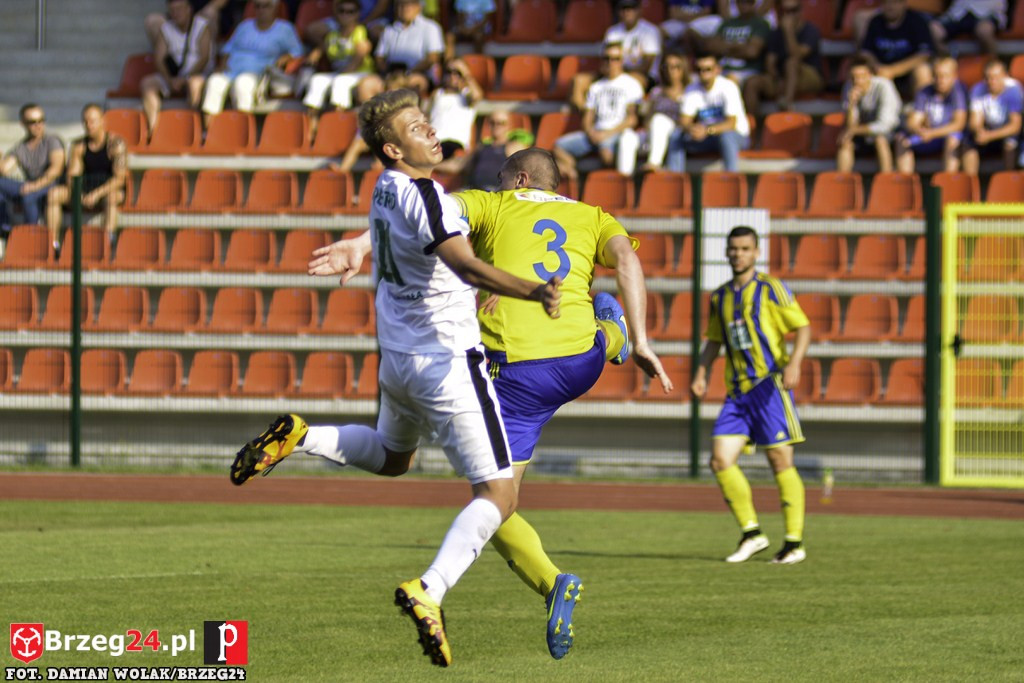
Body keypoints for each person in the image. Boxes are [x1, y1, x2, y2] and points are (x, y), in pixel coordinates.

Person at [230, 89, 561, 669]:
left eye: (428, 122)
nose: (431, 132)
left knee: (391, 457)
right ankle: (429, 589)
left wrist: (358, 248)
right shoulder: (430, 196)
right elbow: (461, 262)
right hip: (446, 363)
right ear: (393, 147)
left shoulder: (385, 187)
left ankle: (301, 436)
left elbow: (426, 244)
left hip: (398, 360)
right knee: (500, 495)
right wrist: (532, 290)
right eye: (416, 127)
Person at [306, 147, 674, 659]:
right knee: (598, 329)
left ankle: (551, 582)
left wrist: (360, 246)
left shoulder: (490, 204)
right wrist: (645, 340)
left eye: (503, 178)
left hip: (519, 373)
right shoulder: (593, 215)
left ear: (519, 177)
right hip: (578, 364)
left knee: (493, 500)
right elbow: (629, 260)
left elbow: (422, 217)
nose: (496, 184)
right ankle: (615, 334)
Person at [690, 225, 811, 565]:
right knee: (719, 460)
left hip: (769, 386)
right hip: (737, 392)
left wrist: (795, 364)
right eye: (733, 249)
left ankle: (793, 542)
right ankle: (752, 533)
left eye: (745, 249)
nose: (738, 254)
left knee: (779, 460)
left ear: (756, 253)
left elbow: (802, 327)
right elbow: (713, 340)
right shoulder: (721, 296)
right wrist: (701, 374)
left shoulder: (772, 289)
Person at [200, 0, 304, 123]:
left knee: (243, 83)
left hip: (258, 74)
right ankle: (208, 132)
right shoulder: (244, 26)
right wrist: (221, 67)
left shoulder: (285, 29)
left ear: (275, 8)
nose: (261, 10)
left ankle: (243, 132)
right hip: (231, 71)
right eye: (257, 6)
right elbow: (228, 49)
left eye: (266, 6)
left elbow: (298, 52)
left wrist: (285, 58)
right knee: (214, 81)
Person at [553, 42, 644, 181]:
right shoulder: (596, 87)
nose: (610, 63)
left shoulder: (631, 84)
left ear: (622, 61)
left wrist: (606, 135)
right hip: (596, 132)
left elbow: (632, 119)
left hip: (616, 133)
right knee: (559, 147)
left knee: (606, 155)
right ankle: (573, 178)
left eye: (615, 59)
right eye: (606, 58)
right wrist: (591, 132)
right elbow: (588, 116)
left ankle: (612, 189)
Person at [46, 104, 127, 251]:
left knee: (112, 198)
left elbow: (119, 179)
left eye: (93, 121)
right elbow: (72, 175)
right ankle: (53, 245)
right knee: (54, 194)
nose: (89, 125)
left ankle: (107, 243)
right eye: (85, 121)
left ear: (102, 121)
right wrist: (80, 193)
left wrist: (96, 194)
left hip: (107, 190)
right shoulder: (78, 146)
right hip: (84, 188)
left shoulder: (116, 144)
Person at [667, 51, 751, 173]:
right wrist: (692, 129)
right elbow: (684, 120)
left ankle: (731, 179)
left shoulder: (728, 87)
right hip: (707, 137)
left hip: (737, 135)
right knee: (676, 135)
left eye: (708, 69)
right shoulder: (692, 89)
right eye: (699, 69)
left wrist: (707, 130)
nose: (703, 73)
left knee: (726, 137)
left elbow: (731, 124)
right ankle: (674, 181)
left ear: (717, 70)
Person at [301, 0, 379, 129]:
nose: (345, 15)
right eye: (342, 11)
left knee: (340, 82)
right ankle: (311, 128)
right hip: (341, 73)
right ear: (336, 14)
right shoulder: (333, 35)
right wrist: (315, 54)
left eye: (350, 12)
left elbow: (357, 60)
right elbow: (320, 50)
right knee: (317, 80)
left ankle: (336, 126)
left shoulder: (361, 32)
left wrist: (339, 75)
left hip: (361, 72)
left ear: (358, 14)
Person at [140, 0, 214, 135]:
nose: (176, 14)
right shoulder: (166, 29)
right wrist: (169, 80)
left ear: (188, 9)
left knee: (194, 84)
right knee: (147, 83)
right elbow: (159, 58)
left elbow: (204, 58)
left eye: (179, 9)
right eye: (172, 10)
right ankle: (153, 131)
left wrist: (185, 78)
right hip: (173, 76)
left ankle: (192, 130)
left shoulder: (202, 26)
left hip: (196, 74)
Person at [742, 0, 824, 114]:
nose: (789, 14)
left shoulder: (811, 30)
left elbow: (797, 55)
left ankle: (786, 105)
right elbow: (770, 61)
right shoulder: (776, 33)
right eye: (785, 11)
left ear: (801, 11)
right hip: (782, 78)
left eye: (793, 10)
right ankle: (750, 125)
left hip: (808, 76)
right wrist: (776, 77)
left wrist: (788, 32)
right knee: (752, 82)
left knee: (791, 63)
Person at [0, 104, 65, 242]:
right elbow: (4, 169)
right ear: (22, 124)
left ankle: (32, 237)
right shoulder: (21, 147)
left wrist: (34, 186)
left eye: (41, 120)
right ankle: (4, 227)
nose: (38, 125)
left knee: (29, 196)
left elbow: (56, 170)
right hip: (31, 187)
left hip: (51, 186)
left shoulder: (52, 141)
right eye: (32, 122)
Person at [894, 55, 967, 174]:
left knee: (953, 139)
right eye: (936, 76)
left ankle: (947, 183)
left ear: (954, 76)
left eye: (944, 76)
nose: (940, 80)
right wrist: (918, 130)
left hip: (944, 136)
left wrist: (932, 133)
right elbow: (913, 121)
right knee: (901, 139)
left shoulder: (958, 92)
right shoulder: (924, 92)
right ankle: (905, 183)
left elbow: (959, 124)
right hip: (927, 135)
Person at [433, 110, 533, 191]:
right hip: (474, 192)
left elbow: (530, 169)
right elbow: (459, 165)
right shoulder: (481, 147)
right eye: (493, 123)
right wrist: (431, 165)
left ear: (508, 126)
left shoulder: (514, 147)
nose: (496, 126)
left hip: (497, 194)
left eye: (501, 123)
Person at [837, 57, 901, 173]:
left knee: (880, 139)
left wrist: (853, 130)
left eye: (861, 76)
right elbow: (850, 125)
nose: (857, 81)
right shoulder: (848, 87)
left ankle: (886, 183)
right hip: (862, 133)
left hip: (891, 134)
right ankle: (842, 183)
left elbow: (885, 125)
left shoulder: (884, 86)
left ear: (870, 75)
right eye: (853, 77)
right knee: (845, 142)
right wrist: (851, 105)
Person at [858, 0, 933, 99]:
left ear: (904, 4)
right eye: (886, 2)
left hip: (907, 75)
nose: (890, 6)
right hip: (880, 73)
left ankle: (920, 110)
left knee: (922, 71)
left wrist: (893, 71)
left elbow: (924, 55)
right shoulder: (875, 22)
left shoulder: (917, 21)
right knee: (860, 70)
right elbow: (866, 53)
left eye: (895, 2)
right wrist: (878, 67)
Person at [962, 58, 1023, 176]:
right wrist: (979, 132)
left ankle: (1009, 182)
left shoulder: (1014, 90)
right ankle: (970, 184)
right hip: (988, 130)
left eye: (995, 77)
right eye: (988, 77)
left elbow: (1015, 126)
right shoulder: (977, 89)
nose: (991, 81)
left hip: (1005, 132)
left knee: (1010, 143)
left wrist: (990, 136)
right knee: (968, 143)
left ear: (1005, 76)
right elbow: (975, 121)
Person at [373, 0, 445, 98]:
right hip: (390, 73)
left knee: (401, 85)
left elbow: (432, 58)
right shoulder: (389, 29)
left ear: (419, 6)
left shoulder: (431, 27)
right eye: (401, 4)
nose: (405, 7)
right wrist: (388, 73)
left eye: (410, 4)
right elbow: (379, 56)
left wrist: (407, 74)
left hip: (418, 73)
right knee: (366, 85)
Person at [641, 49, 690, 172]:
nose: (670, 71)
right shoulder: (656, 92)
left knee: (660, 121)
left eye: (675, 67)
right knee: (629, 137)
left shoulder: (691, 90)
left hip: (680, 131)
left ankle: (654, 162)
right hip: (656, 131)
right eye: (667, 67)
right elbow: (647, 118)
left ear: (683, 69)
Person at [425, 58, 484, 159]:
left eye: (457, 73)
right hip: (434, 141)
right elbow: (427, 116)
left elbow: (477, 96)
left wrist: (465, 73)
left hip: (456, 144)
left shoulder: (466, 94)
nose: (453, 76)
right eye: (449, 72)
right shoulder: (437, 94)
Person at [705, 0, 770, 87]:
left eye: (748, 2)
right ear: (736, 3)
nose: (744, 5)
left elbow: (751, 52)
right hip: (722, 70)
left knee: (733, 79)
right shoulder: (727, 23)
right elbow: (712, 47)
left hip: (748, 71)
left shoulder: (760, 23)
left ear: (754, 3)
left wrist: (726, 47)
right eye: (740, 2)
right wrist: (740, 46)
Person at [931, 0, 1006, 57]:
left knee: (984, 31)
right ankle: (949, 64)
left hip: (988, 12)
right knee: (934, 29)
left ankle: (993, 68)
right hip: (959, 13)